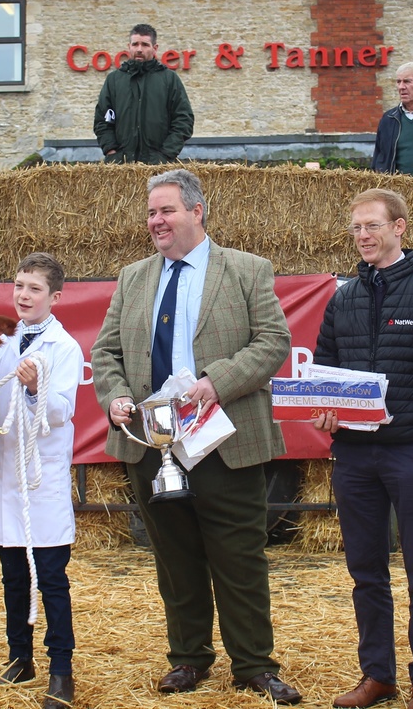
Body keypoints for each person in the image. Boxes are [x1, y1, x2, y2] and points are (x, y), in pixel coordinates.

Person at [91, 168, 301, 703]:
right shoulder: (133, 276)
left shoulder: (247, 270)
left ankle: (254, 665)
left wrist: (216, 383)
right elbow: (106, 352)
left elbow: (275, 341)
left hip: (223, 439)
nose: (156, 221)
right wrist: (114, 395)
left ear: (196, 211)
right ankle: (188, 660)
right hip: (151, 443)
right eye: (151, 213)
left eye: (166, 211)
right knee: (175, 558)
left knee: (239, 557)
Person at [313, 188, 413, 709]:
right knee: (365, 570)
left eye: (373, 226)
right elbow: (323, 366)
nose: (363, 236)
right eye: (357, 228)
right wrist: (325, 408)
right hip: (355, 455)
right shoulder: (344, 298)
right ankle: (376, 675)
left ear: (400, 228)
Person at [0, 252, 84, 709]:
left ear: (55, 297)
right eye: (19, 286)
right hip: (8, 476)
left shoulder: (64, 348)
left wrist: (31, 388)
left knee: (50, 578)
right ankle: (19, 657)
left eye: (34, 289)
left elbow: (63, 410)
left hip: (42, 482)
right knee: (12, 577)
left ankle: (60, 671)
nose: (23, 295)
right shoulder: (2, 345)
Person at [92, 24, 194, 164]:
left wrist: (165, 155)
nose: (139, 49)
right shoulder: (114, 80)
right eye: (135, 44)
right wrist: (112, 151)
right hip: (121, 164)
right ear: (129, 46)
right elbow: (102, 120)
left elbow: (184, 120)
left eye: (145, 44)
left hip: (159, 165)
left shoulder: (169, 79)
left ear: (155, 48)